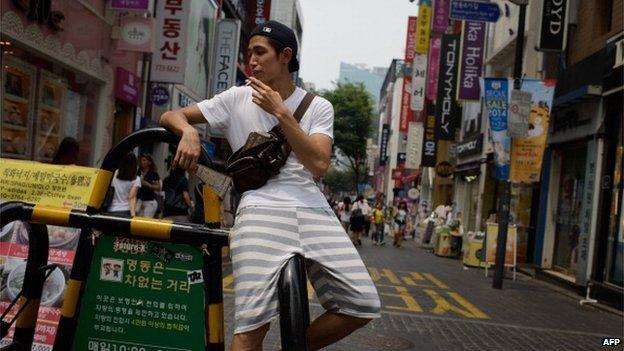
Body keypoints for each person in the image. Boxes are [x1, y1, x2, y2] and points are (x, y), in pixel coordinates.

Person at [159, 20, 380, 350]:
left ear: (285, 55)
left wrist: (282, 113)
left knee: (362, 303)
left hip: (313, 208)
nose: (252, 60)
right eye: (249, 53)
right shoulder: (235, 98)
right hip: (260, 209)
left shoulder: (318, 106)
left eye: (260, 52)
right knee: (251, 325)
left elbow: (318, 164)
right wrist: (189, 131)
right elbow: (171, 115)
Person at [107, 153, 140, 217]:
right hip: (125, 210)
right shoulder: (136, 179)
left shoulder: (115, 173)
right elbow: (131, 198)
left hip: (111, 209)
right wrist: (133, 215)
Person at [136, 153, 161, 218]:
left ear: (149, 162)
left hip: (150, 202)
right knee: (138, 222)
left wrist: (147, 184)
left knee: (145, 222)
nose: (142, 162)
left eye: (144, 160)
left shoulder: (153, 173)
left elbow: (158, 187)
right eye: (141, 160)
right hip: (140, 201)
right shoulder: (139, 171)